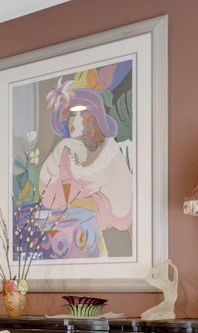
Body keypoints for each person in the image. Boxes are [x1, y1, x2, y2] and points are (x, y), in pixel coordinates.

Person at [36, 84, 132, 256]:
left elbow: (121, 202)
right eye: (72, 116)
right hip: (72, 239)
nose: (75, 122)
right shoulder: (66, 154)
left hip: (108, 237)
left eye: (82, 115)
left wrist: (91, 204)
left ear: (93, 118)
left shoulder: (109, 151)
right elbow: (47, 194)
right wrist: (59, 150)